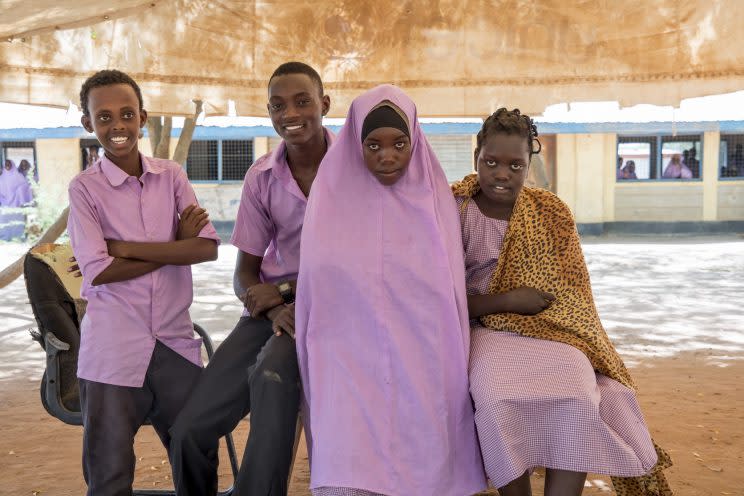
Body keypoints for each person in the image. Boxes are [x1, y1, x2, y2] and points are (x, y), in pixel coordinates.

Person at [452, 108, 673, 496]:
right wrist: (507, 301)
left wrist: (533, 311)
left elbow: (573, 295)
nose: (502, 174)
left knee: (577, 394)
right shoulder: (453, 209)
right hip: (484, 330)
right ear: (476, 158)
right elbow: (443, 299)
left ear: (529, 165)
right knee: (496, 398)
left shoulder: (551, 212)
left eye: (515, 165)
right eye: (491, 162)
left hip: (553, 331)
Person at [294, 84, 487, 496]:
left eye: (400, 143)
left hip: (423, 343)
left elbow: (446, 287)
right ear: (354, 145)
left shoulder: (435, 199)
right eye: (373, 144)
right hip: (345, 345)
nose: (387, 155)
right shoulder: (330, 200)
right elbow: (319, 285)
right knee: (350, 449)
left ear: (415, 141)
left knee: (427, 431)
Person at [169, 62, 333, 496]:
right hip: (271, 313)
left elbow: (357, 265)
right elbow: (244, 274)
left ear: (325, 104)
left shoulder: (355, 172)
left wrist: (283, 291)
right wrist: (275, 306)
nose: (290, 113)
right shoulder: (262, 177)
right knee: (189, 430)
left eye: (302, 101)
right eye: (278, 105)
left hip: (332, 308)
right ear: (269, 112)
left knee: (272, 375)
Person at [67, 69, 220, 496]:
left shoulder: (171, 176)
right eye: (104, 117)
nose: (117, 126)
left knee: (197, 454)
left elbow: (206, 249)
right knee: (109, 469)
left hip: (174, 342)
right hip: (113, 348)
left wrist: (125, 248)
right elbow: (98, 270)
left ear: (143, 118)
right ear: (88, 124)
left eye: (127, 114)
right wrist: (175, 244)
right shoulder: (84, 189)